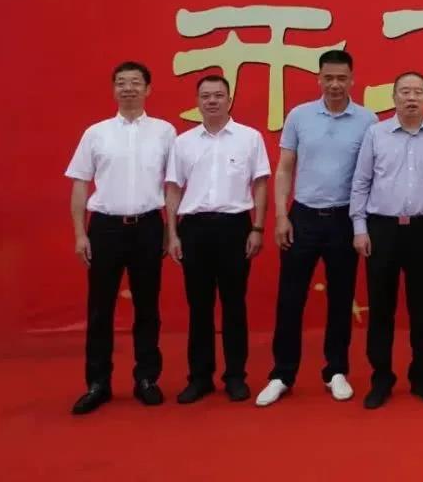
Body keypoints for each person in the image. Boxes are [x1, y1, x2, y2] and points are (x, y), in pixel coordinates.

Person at [256, 51, 377, 407]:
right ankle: (282, 373)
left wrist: (362, 222)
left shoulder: (368, 120)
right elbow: (284, 168)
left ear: (352, 79)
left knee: (341, 297)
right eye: (329, 78)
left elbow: (370, 175)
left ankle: (336, 370)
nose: (335, 84)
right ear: (319, 78)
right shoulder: (299, 116)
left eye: (342, 78)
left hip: (344, 219)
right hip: (303, 217)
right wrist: (282, 216)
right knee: (290, 297)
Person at [66, 62, 175, 414]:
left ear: (148, 89)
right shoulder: (96, 133)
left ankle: (147, 378)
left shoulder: (165, 132)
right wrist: (80, 233)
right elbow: (80, 184)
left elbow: (172, 186)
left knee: (147, 307)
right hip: (105, 228)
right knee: (100, 308)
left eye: (136, 82)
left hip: (148, 226)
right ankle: (98, 383)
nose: (129, 88)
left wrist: (170, 230)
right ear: (113, 89)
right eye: (122, 83)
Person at [165, 75, 270, 404]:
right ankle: (199, 377)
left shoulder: (249, 138)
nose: (212, 101)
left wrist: (257, 228)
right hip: (194, 229)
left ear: (229, 99)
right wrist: (172, 233)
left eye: (218, 95)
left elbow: (260, 184)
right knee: (199, 307)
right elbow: (173, 189)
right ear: (197, 101)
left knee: (234, 305)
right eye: (206, 96)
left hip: (235, 228)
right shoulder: (183, 142)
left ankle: (235, 376)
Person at [350, 72, 423, 409]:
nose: (411, 98)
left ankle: (422, 377)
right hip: (382, 229)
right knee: (381, 307)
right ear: (393, 97)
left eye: (418, 92)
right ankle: (381, 378)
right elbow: (361, 182)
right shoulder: (375, 134)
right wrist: (359, 227)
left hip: (422, 229)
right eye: (405, 92)